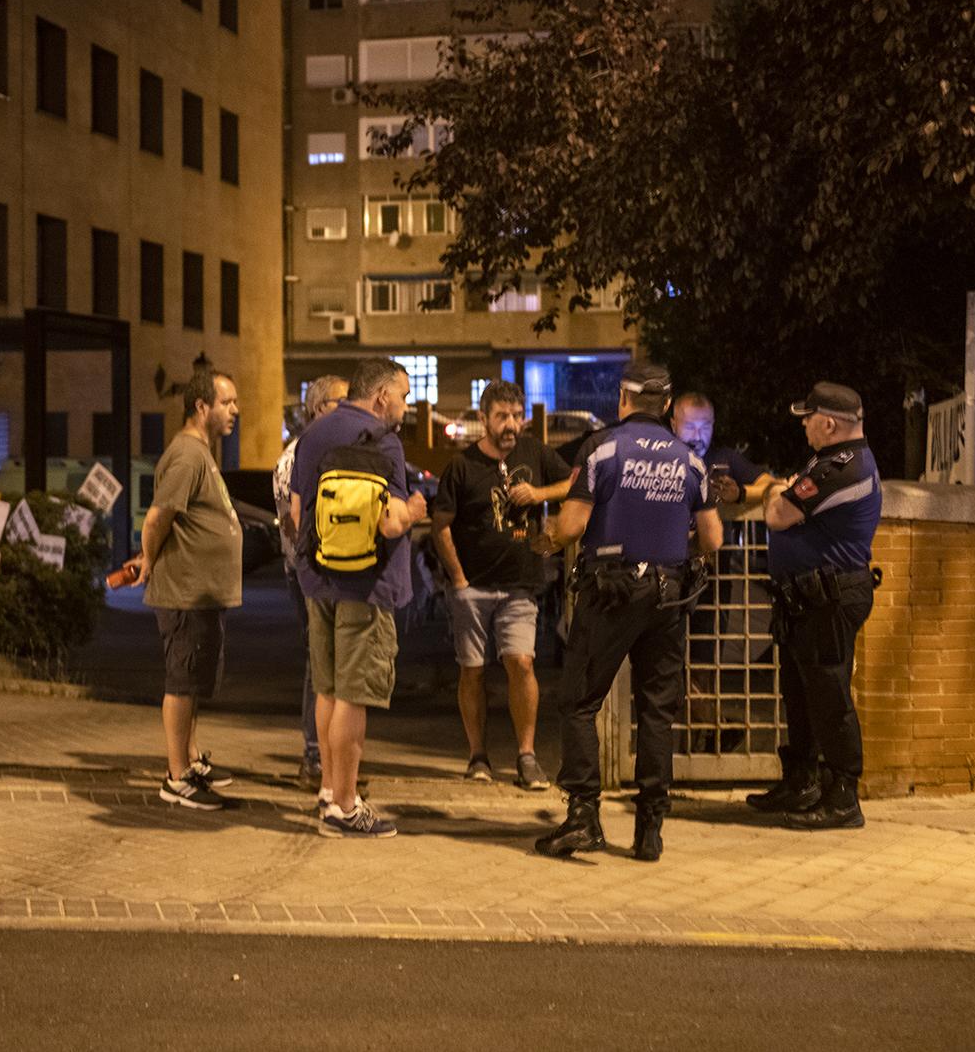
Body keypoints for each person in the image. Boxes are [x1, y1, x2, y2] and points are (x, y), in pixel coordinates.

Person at [531, 360, 722, 862]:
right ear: (664, 405)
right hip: (670, 596)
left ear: (622, 399)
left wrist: (543, 540)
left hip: (611, 592)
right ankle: (649, 831)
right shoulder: (689, 460)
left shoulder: (604, 449)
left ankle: (583, 818)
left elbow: (571, 527)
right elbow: (713, 539)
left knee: (578, 702)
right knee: (657, 711)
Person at [291, 356, 427, 838]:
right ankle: (346, 807)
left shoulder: (314, 435)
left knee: (327, 689)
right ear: (381, 395)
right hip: (367, 586)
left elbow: (295, 510)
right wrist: (413, 509)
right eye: (405, 395)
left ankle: (329, 790)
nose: (407, 406)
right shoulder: (383, 442)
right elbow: (390, 521)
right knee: (355, 694)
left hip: (318, 579)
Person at [752, 381, 883, 830]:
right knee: (801, 692)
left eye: (807, 418)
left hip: (829, 597)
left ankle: (843, 795)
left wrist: (774, 489)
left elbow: (779, 513)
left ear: (828, 423)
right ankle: (802, 780)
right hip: (807, 597)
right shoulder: (827, 462)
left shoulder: (843, 467)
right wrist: (783, 487)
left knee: (829, 695)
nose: (804, 425)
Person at [430, 380, 570, 789]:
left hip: (520, 584)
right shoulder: (462, 467)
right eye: (501, 417)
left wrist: (540, 493)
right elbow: (441, 526)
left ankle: (526, 757)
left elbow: (576, 483)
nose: (511, 425)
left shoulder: (537, 454)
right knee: (472, 670)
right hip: (472, 586)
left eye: (516, 416)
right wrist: (458, 578)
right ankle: (478, 756)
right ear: (483, 419)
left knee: (521, 663)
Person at [123, 367, 244, 811]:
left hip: (201, 591)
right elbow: (158, 517)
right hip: (186, 591)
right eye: (227, 402)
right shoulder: (188, 455)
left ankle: (189, 762)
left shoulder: (201, 453)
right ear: (201, 406)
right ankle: (177, 779)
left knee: (193, 680)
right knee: (181, 680)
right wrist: (150, 559)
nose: (235, 410)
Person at [670, 391, 775, 754]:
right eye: (691, 425)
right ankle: (717, 727)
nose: (699, 434)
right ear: (673, 423)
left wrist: (740, 492)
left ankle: (702, 738)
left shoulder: (725, 459)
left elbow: (771, 485)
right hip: (670, 573)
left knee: (704, 661)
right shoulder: (665, 455)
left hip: (716, 580)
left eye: (706, 426)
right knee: (671, 661)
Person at [273, 374, 348, 788]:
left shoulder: (330, 452)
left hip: (327, 575)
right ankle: (315, 756)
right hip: (310, 577)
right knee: (319, 664)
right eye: (342, 401)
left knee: (331, 664)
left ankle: (330, 756)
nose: (351, 407)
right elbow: (297, 529)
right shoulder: (296, 458)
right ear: (320, 409)